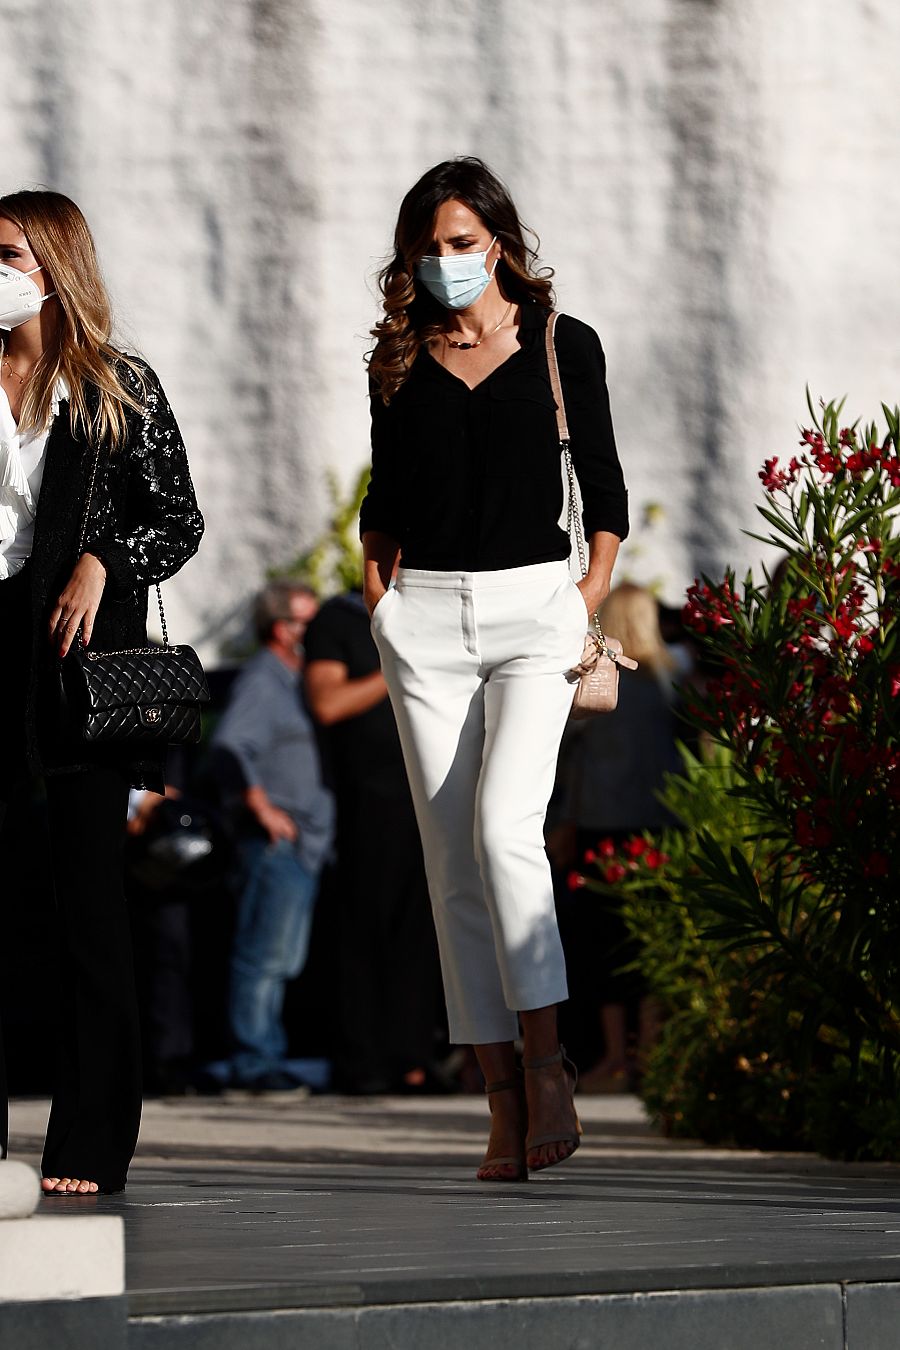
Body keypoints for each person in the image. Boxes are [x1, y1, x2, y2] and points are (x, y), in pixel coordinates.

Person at [359, 157, 629, 1180]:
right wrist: (381, 600)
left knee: (505, 829)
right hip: (422, 618)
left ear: (503, 245)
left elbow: (604, 493)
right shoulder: (399, 355)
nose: (444, 262)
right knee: (450, 867)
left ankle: (549, 1058)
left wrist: (580, 602)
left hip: (533, 615)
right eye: (427, 247)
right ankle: (501, 1098)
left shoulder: (567, 346)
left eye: (462, 243)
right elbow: (385, 495)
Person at [0, 189, 204, 1194]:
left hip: (74, 657)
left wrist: (101, 562)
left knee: (90, 905)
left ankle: (90, 1141)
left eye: (5, 254)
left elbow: (180, 520)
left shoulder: (115, 385)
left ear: (53, 263)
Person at [304, 588, 442, 1095]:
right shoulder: (338, 619)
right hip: (367, 800)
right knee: (365, 929)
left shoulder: (431, 609)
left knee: (421, 933)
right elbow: (327, 703)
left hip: (428, 792)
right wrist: (396, 671)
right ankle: (361, 1059)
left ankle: (412, 1058)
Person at [548, 583, 680, 1090]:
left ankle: (613, 1056)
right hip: (660, 827)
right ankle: (647, 1051)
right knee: (649, 940)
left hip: (600, 827)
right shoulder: (672, 682)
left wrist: (562, 821)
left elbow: (572, 764)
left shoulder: (600, 678)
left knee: (601, 944)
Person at [209, 581, 334, 1090]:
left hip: (304, 844)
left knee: (282, 957)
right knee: (263, 957)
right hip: (276, 843)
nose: (317, 633)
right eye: (310, 622)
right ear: (282, 628)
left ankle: (264, 1056)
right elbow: (228, 747)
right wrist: (262, 808)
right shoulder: (264, 679)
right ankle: (254, 1063)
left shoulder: (293, 678)